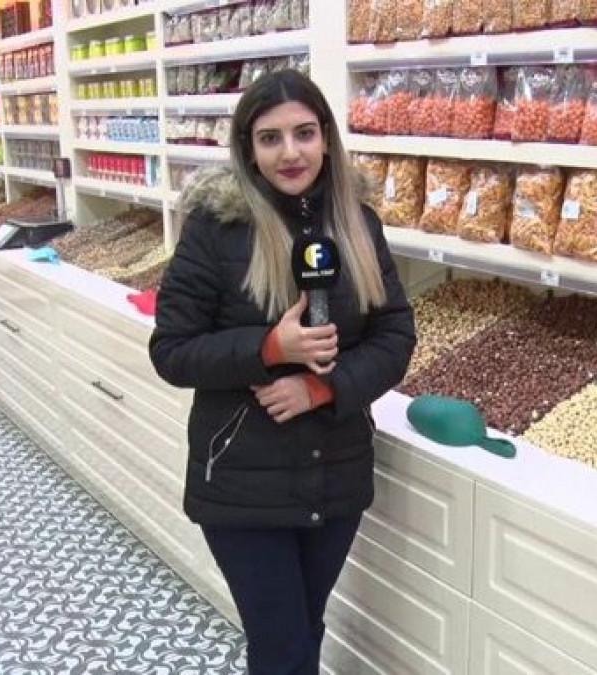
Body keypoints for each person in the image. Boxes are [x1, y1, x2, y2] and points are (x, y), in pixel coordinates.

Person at [149, 70, 415, 674]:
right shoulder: (215, 229)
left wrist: (322, 387)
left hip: (337, 473)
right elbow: (173, 350)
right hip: (243, 481)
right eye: (270, 138)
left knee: (305, 629)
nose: (290, 152)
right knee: (283, 646)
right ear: (248, 149)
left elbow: (395, 335)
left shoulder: (358, 223)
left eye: (304, 133)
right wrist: (269, 347)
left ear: (326, 138)